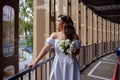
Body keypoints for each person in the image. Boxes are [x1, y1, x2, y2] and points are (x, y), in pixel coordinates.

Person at [29, 15, 81, 80]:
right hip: (58, 63)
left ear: (64, 23)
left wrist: (70, 53)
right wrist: (35, 62)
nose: (56, 22)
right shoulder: (54, 35)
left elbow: (78, 51)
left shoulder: (74, 36)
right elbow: (46, 49)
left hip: (71, 64)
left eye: (58, 21)